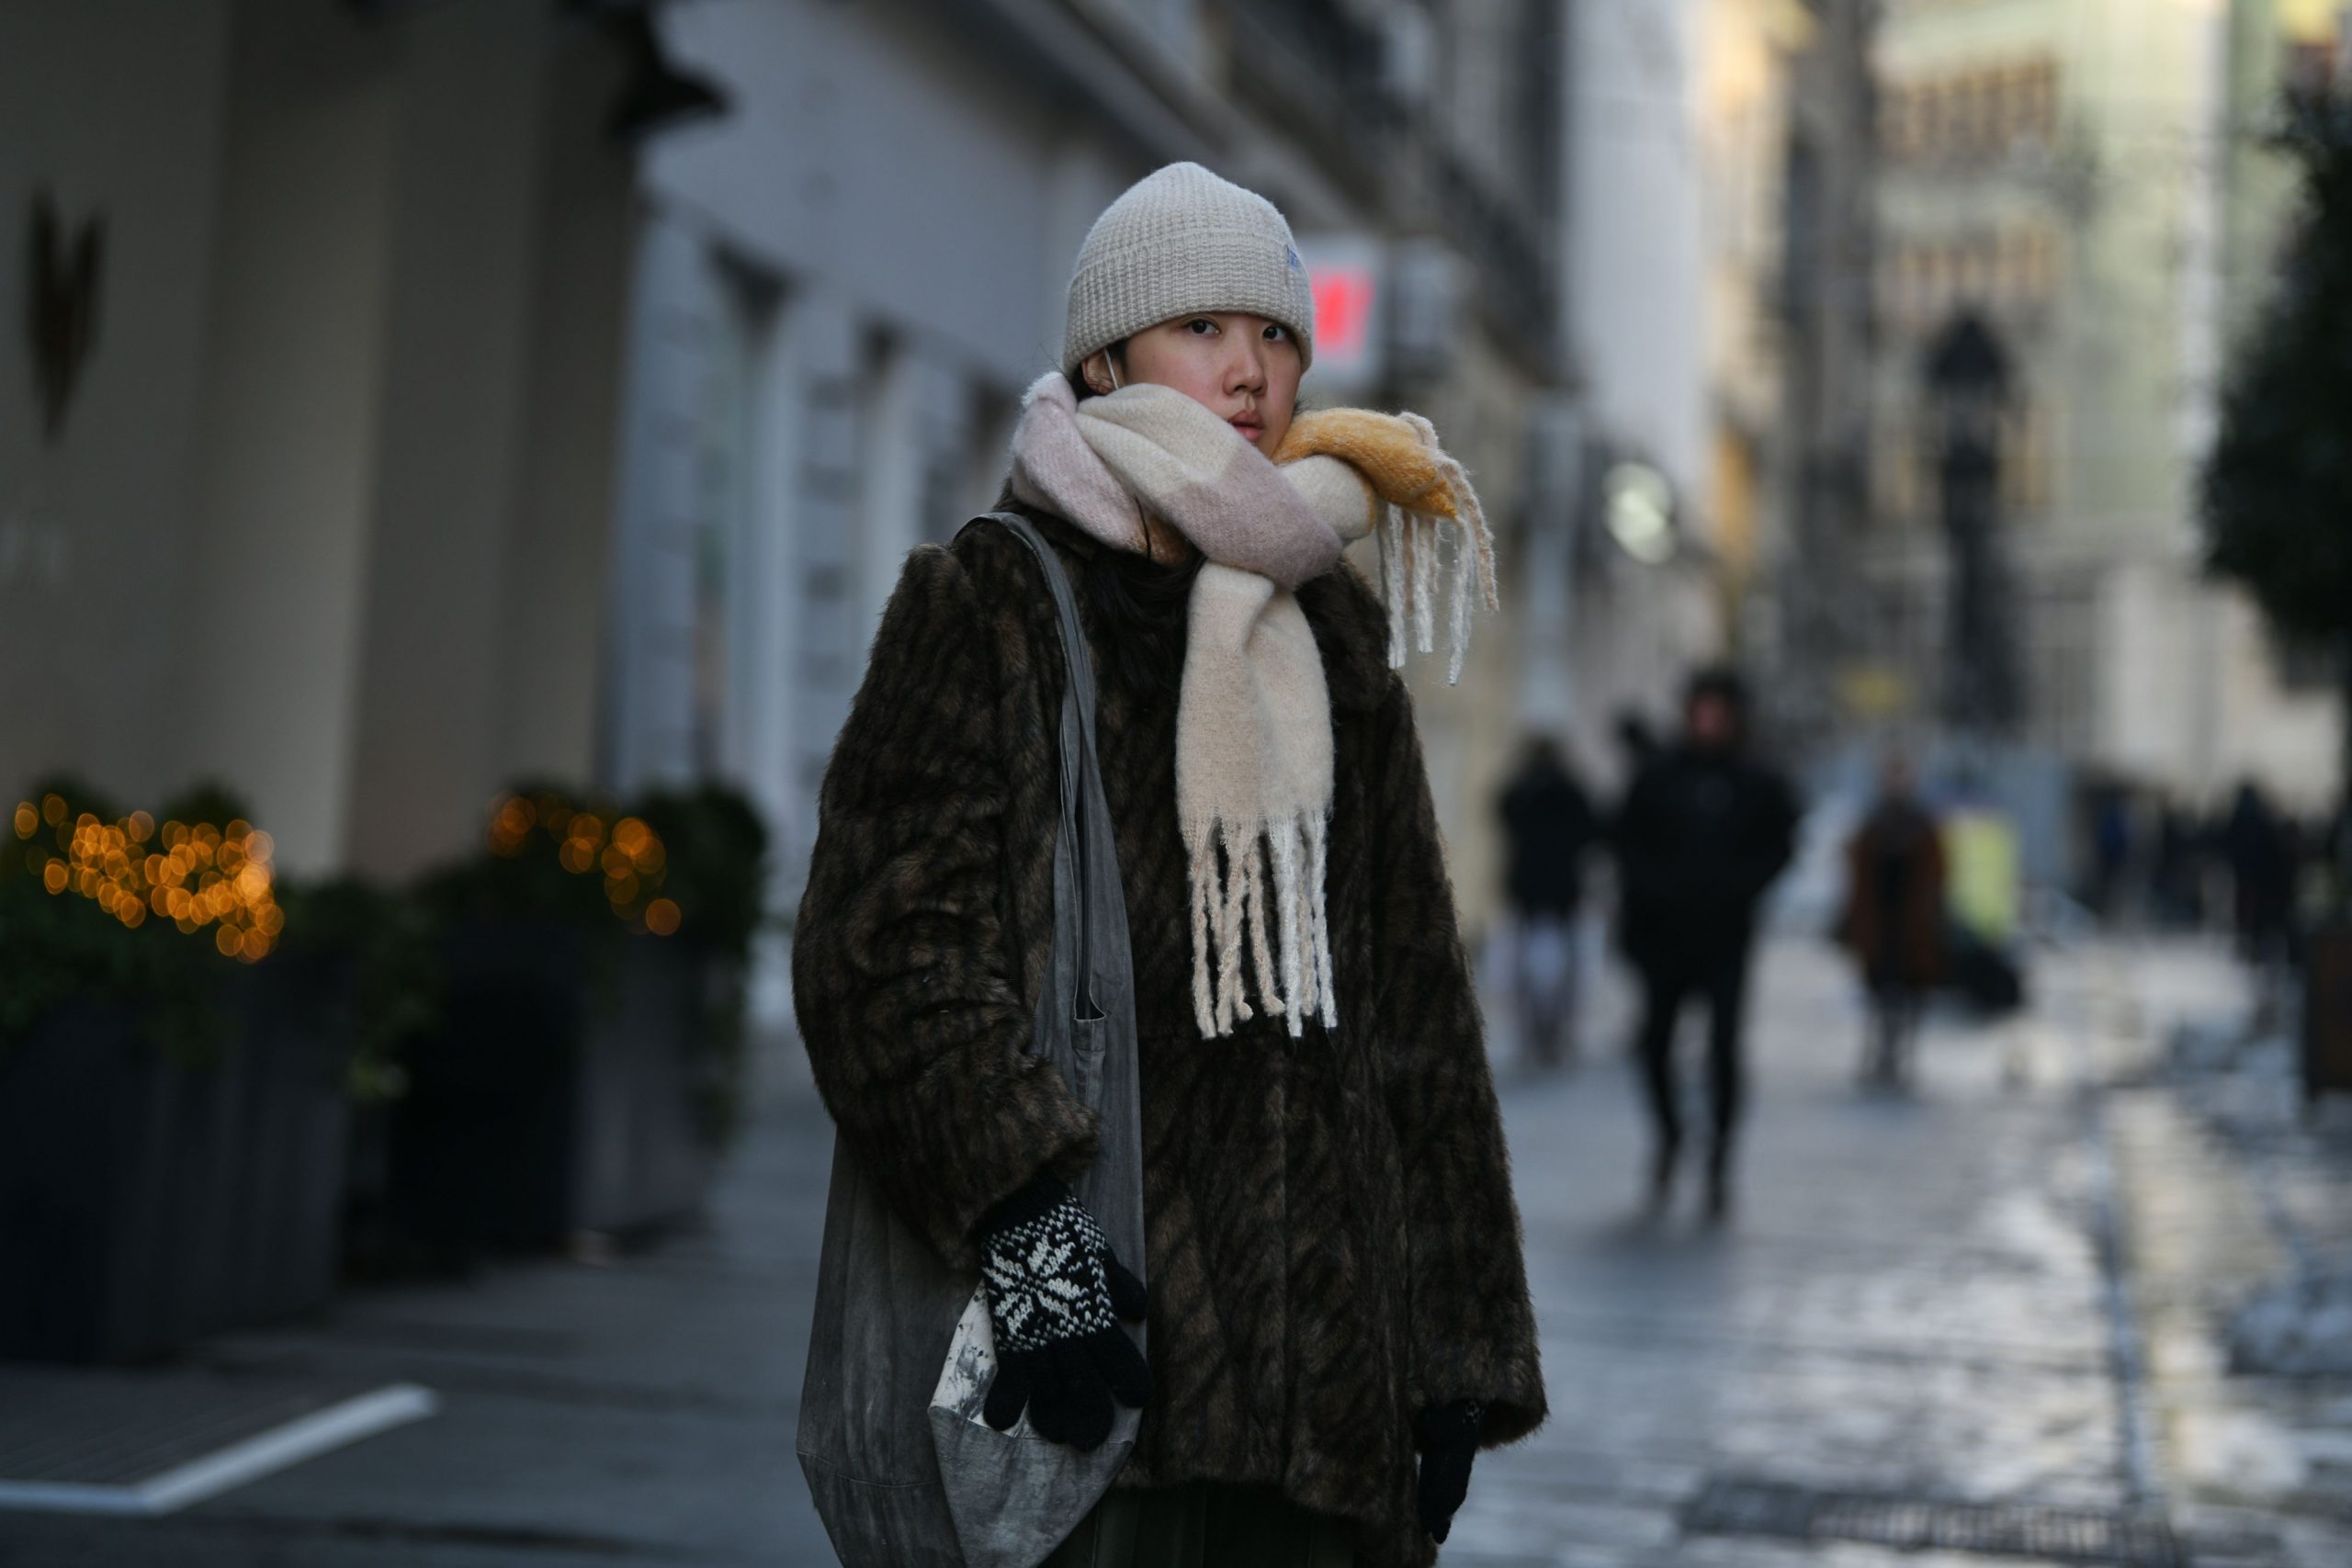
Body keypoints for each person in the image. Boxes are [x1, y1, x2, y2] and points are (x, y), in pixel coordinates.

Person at [792, 164, 1544, 1568]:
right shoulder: (996, 598)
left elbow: (1414, 1005)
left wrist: (1453, 1340)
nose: (1249, 370)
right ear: (1105, 358)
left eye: (1275, 334)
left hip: (1328, 1414)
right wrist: (1032, 1238)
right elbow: (881, 951)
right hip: (1098, 1383)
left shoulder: (1330, 627)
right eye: (1202, 327)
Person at [1612, 668, 1796, 1221]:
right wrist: (1652, 891)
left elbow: (1780, 845)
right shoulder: (1659, 776)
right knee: (1654, 1045)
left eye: (1719, 712)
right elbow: (1626, 841)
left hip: (1726, 938)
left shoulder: (1757, 780)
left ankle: (1718, 1155)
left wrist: (1739, 888)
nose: (1709, 722)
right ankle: (1670, 1134)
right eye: (1701, 710)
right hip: (1664, 937)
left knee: (1723, 1050)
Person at [1838, 753, 1946, 1089]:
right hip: (1882, 925)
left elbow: (1936, 874)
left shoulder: (1920, 825)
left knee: (1909, 996)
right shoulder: (1875, 824)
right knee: (1878, 995)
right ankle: (1881, 1054)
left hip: (1910, 927)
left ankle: (1901, 1056)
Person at [1497, 736, 1600, 1065]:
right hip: (1562, 886)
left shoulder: (1520, 791)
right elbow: (1590, 831)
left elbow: (1503, 814)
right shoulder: (1571, 792)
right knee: (1565, 963)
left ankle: (1534, 1032)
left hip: (1527, 886)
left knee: (1526, 963)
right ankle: (1557, 1030)